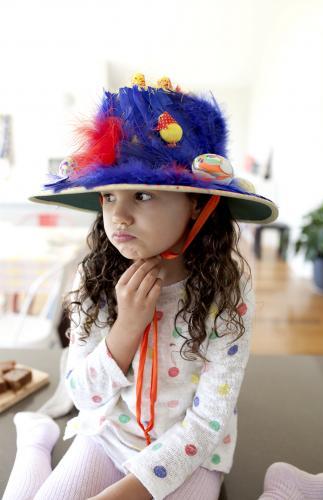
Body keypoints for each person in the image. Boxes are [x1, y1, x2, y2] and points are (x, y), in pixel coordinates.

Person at [3, 74, 278, 500]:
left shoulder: (228, 289)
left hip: (191, 451)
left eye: (143, 196)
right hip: (108, 434)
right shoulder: (93, 277)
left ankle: (288, 489)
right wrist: (126, 328)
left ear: (196, 204)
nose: (119, 217)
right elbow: (83, 395)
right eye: (109, 197)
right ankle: (35, 444)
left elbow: (207, 425)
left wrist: (128, 492)